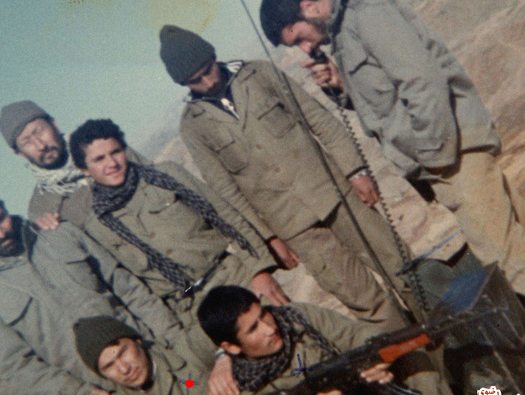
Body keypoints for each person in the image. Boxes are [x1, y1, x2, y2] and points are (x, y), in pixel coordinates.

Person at [259, 0, 525, 370]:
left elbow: (421, 82)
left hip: (450, 151)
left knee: (504, 253)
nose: (306, 48)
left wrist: (433, 156)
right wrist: (340, 85)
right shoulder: (349, 31)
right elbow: (384, 102)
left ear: (308, 7)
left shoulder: (365, 15)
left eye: (299, 38)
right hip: (450, 149)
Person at [158, 24, 417, 331]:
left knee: (403, 268)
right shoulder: (193, 126)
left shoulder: (260, 74)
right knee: (366, 301)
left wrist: (355, 171)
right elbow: (227, 193)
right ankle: (416, 359)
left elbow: (318, 119)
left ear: (213, 57)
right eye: (195, 81)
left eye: (208, 70)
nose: (209, 81)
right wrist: (268, 238)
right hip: (295, 228)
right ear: (184, 84)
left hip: (339, 194)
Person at [69, 118, 287, 367]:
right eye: (99, 159)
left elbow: (226, 216)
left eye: (116, 152)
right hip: (189, 311)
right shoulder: (97, 228)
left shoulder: (166, 175)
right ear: (84, 169)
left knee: (290, 341)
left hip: (234, 279)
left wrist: (259, 271)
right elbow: (132, 287)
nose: (112, 163)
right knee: (231, 377)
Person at [0, 199, 182, 395]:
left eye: (1, 219)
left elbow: (128, 289)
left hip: (154, 362)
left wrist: (173, 338)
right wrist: (72, 394)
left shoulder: (60, 233)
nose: (2, 234)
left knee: (196, 390)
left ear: (5, 207)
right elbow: (15, 363)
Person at [198, 285, 450, 395]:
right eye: (253, 329)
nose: (269, 328)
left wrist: (378, 360)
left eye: (264, 314)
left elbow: (354, 334)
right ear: (231, 347)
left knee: (414, 361)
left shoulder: (295, 316)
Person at [0, 100, 145, 230]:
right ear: (19, 153)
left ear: (54, 124)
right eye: (27, 142)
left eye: (39, 131)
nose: (41, 145)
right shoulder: (40, 209)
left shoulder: (106, 148)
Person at [73, 316, 213, 395]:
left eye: (123, 353)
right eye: (109, 366)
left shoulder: (184, 350)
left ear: (137, 341)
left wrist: (221, 357)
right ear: (102, 374)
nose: (124, 369)